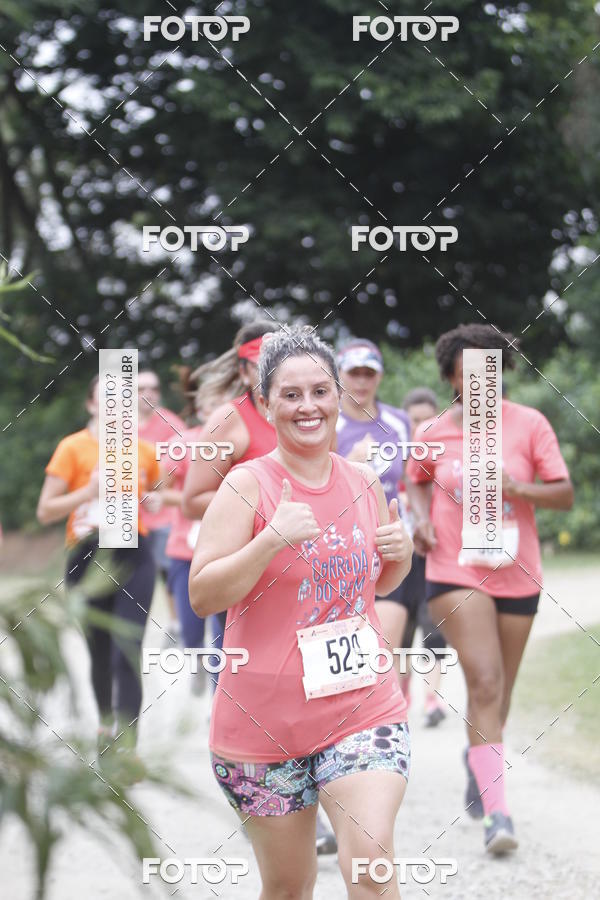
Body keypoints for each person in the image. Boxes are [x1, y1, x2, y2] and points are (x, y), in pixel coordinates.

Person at [189, 326, 413, 899]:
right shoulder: (247, 485)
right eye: (290, 395)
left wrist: (402, 557)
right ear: (266, 405)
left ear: (339, 396)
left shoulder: (363, 482)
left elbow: (374, 585)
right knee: (289, 887)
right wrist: (269, 541)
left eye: (319, 391)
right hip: (262, 725)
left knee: (369, 863)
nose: (307, 406)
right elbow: (202, 595)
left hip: (362, 708)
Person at [404, 323, 573, 854]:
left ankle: (480, 761)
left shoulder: (529, 424)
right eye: (467, 372)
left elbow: (563, 494)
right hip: (455, 570)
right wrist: (420, 518)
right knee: (484, 680)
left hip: (517, 572)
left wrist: (518, 486)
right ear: (452, 377)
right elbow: (416, 479)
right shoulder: (433, 430)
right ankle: (498, 817)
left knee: (499, 694)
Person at [183, 319, 338, 854]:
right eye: (260, 362)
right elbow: (193, 499)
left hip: (314, 571)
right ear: (249, 370)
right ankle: (266, 782)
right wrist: (260, 513)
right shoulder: (229, 419)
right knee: (254, 672)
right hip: (249, 571)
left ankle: (328, 780)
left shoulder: (309, 412)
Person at [36, 375, 161, 751]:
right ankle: (107, 728)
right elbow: (45, 511)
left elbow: (157, 493)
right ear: (92, 406)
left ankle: (127, 747)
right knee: (101, 650)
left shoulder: (143, 451)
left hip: (133, 553)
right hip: (86, 556)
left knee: (128, 647)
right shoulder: (72, 448)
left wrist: (152, 499)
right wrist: (87, 492)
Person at [335, 339, 414, 684]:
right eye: (354, 373)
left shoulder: (398, 422)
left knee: (383, 653)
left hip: (388, 547)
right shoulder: (326, 423)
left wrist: (418, 525)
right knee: (348, 665)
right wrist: (348, 463)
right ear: (340, 376)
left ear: (379, 377)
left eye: (369, 373)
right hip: (341, 551)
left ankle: (388, 710)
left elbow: (411, 479)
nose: (362, 381)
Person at [398, 387, 448, 728]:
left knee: (435, 630)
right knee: (402, 633)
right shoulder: (391, 463)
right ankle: (402, 698)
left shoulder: (444, 463)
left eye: (428, 420)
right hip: (401, 564)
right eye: (415, 420)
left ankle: (432, 700)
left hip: (436, 558)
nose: (421, 427)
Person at [137, 369, 186, 642]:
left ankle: (177, 624)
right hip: (131, 517)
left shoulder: (171, 424)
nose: (148, 394)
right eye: (141, 389)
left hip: (163, 514)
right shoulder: (118, 427)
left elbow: (186, 464)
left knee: (169, 572)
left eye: (153, 388)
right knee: (133, 575)